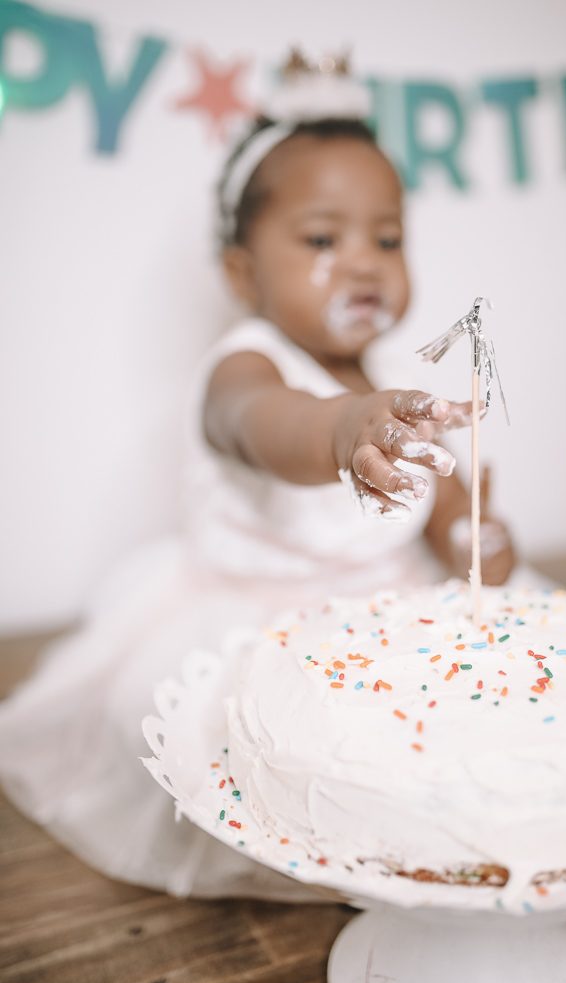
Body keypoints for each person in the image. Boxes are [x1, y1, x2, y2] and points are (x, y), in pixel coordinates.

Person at [0, 55, 515, 901]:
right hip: (259, 623)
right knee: (285, 768)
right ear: (242, 272)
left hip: (389, 611)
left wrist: (470, 534)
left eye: (385, 238)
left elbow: (442, 507)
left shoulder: (379, 384)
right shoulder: (245, 369)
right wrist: (338, 428)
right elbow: (262, 428)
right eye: (321, 239)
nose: (362, 264)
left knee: (459, 754)